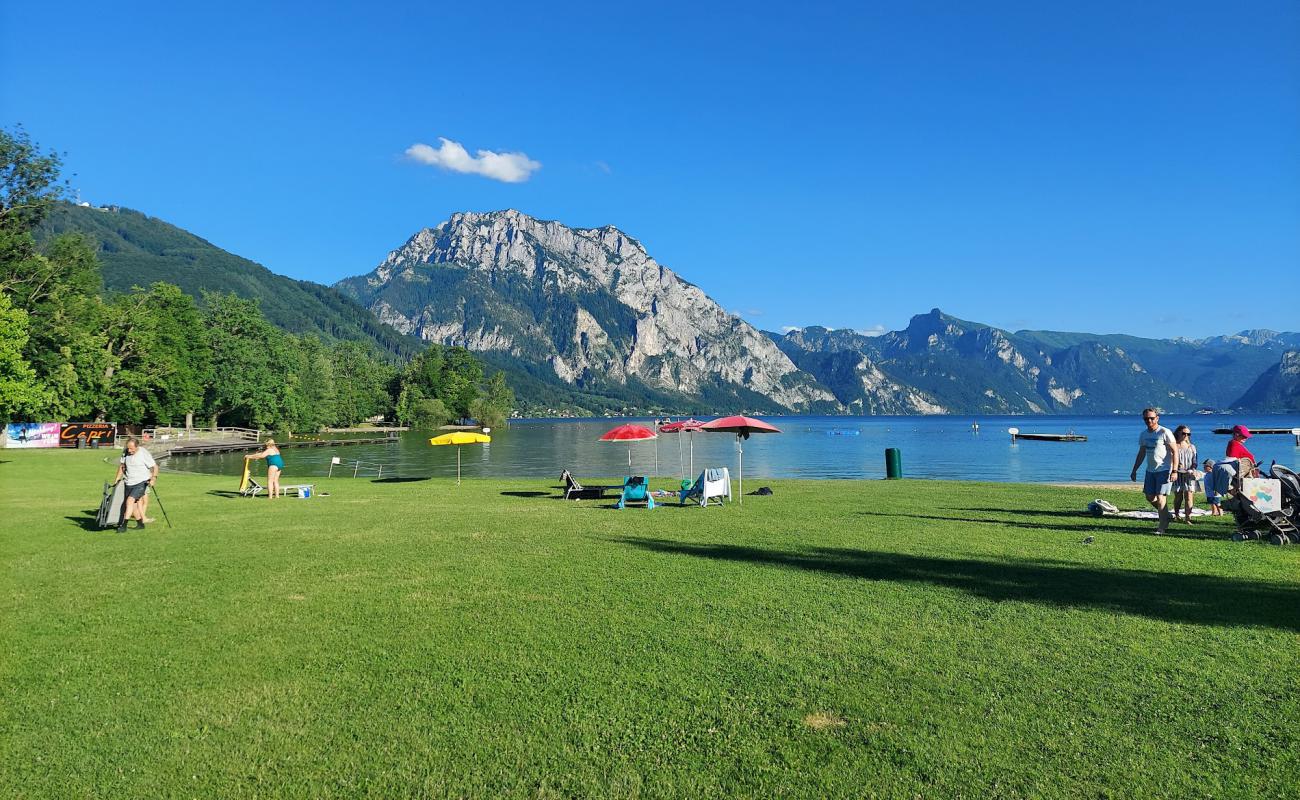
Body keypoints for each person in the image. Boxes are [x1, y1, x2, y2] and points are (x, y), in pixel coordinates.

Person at [1129, 408, 1179, 534]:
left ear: (1157, 418)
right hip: (1150, 471)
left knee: (1161, 498)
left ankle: (1162, 527)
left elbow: (1175, 451)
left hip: (1164, 470)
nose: (1149, 420)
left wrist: (1174, 470)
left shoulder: (1164, 432)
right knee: (1150, 497)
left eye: (1151, 418)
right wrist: (1134, 470)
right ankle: (1166, 515)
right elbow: (1141, 453)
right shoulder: (1144, 434)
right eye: (1146, 418)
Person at [112, 437, 157, 532]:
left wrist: (153, 478)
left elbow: (155, 467)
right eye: (128, 448)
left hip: (141, 482)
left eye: (131, 448)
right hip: (129, 482)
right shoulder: (125, 452)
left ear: (137, 447)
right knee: (134, 506)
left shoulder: (143, 453)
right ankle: (140, 524)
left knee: (130, 501)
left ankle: (123, 526)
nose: (129, 450)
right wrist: (117, 479)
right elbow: (122, 466)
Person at [1170, 425, 1200, 523]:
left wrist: (1192, 469)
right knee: (1178, 496)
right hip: (1178, 473)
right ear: (1178, 433)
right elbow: (1170, 459)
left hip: (1189, 474)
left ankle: (1188, 517)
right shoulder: (1174, 446)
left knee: (1189, 495)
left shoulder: (1192, 447)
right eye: (1184, 433)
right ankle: (1177, 514)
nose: (1186, 435)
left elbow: (1195, 461)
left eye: (1188, 434)